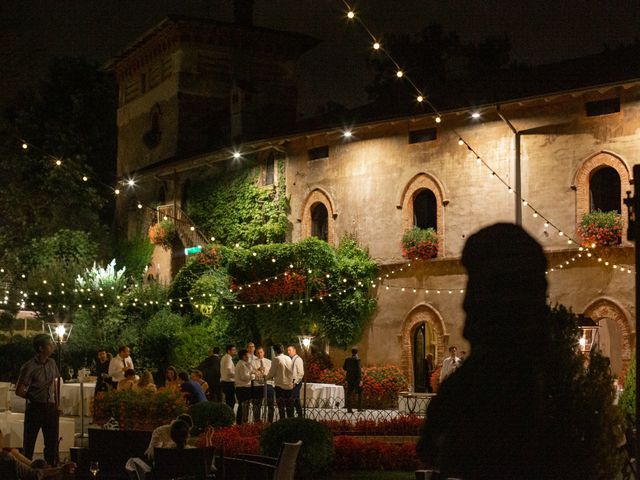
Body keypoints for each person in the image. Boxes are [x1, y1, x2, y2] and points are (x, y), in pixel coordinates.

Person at [417, 223, 555, 479]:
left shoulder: (486, 380)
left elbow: (432, 447)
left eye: (474, 287)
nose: (466, 303)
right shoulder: (532, 377)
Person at [15, 334, 60, 466]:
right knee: (29, 443)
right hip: (35, 408)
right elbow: (19, 390)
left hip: (50, 408)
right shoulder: (29, 366)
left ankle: (51, 469)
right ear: (41, 348)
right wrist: (33, 396)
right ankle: (25, 471)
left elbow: (55, 383)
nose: (52, 347)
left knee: (52, 444)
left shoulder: (52, 363)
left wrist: (57, 404)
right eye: (49, 345)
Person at [0, 427, 75, 479]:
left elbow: (31, 468)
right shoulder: (6, 459)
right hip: (29, 473)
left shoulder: (8, 454)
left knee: (40, 464)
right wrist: (61, 469)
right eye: (1, 437)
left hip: (27, 468)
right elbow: (34, 475)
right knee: (41, 466)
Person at [266, 344, 293, 419]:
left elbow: (272, 373)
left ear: (275, 351)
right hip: (289, 386)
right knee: (289, 407)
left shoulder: (276, 359)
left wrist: (265, 378)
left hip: (280, 386)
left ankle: (282, 423)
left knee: (281, 407)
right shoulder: (288, 358)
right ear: (283, 349)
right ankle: (291, 422)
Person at [251, 346, 275, 423]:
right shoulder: (252, 362)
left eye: (261, 352)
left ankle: (270, 421)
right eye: (258, 353)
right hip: (258, 385)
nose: (260, 354)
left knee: (270, 404)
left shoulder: (269, 362)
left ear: (263, 353)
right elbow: (251, 373)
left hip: (268, 384)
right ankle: (257, 421)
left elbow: (272, 373)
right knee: (257, 404)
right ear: (256, 354)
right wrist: (257, 371)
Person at [234, 349, 254, 424]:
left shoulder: (244, 363)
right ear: (243, 356)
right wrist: (253, 376)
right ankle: (241, 422)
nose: (248, 356)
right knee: (243, 406)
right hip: (243, 388)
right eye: (247, 355)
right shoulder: (241, 365)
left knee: (244, 406)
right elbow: (244, 377)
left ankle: (243, 421)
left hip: (243, 387)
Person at [343, 348, 363, 413]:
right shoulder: (358, 360)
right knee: (360, 393)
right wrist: (360, 380)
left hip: (349, 378)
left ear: (352, 352)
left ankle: (349, 409)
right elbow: (359, 371)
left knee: (349, 393)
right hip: (356, 379)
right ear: (357, 353)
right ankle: (359, 408)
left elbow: (344, 367)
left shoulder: (347, 359)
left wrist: (349, 370)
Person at [287, 345, 305, 417]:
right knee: (296, 399)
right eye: (287, 350)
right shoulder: (291, 359)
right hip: (292, 382)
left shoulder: (298, 359)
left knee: (291, 399)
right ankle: (300, 414)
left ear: (294, 351)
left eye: (289, 350)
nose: (288, 352)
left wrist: (295, 382)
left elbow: (301, 373)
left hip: (296, 382)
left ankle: (291, 416)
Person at [220, 345, 237, 410]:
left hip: (225, 381)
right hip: (228, 382)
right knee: (231, 401)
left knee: (229, 401)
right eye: (233, 350)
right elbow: (229, 371)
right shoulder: (228, 358)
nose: (235, 351)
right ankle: (229, 416)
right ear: (228, 351)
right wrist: (237, 376)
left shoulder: (224, 357)